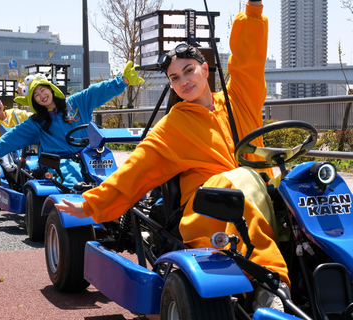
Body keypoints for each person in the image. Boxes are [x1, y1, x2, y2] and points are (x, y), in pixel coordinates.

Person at [55, 0, 290, 311]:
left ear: (206, 69)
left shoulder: (237, 101)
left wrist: (254, 9)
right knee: (240, 178)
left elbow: (248, 60)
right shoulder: (172, 125)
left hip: (260, 197)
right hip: (209, 210)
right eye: (174, 78)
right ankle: (270, 285)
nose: (183, 82)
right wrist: (90, 203)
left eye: (188, 71)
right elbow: (136, 170)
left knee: (310, 178)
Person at [0, 61, 144, 187]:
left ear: (51, 89)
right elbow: (15, 135)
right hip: (60, 161)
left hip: (91, 154)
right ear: (35, 102)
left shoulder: (76, 103)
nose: (42, 96)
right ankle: (81, 215)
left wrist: (122, 81)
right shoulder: (37, 122)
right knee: (74, 181)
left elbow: (96, 91)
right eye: (36, 96)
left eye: (43, 90)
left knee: (116, 178)